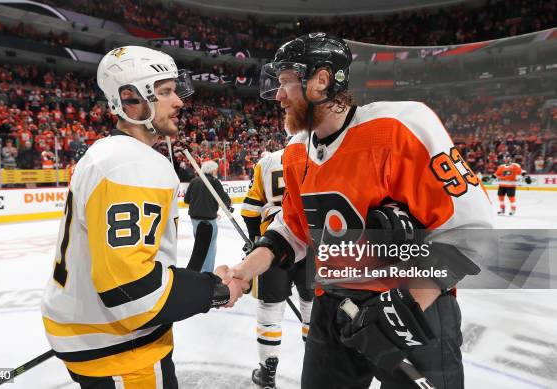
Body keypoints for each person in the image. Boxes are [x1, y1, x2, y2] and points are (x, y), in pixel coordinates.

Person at [222, 33, 494, 389]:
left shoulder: (399, 127)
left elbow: (471, 231)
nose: (278, 95)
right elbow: (293, 230)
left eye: (287, 81)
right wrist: (243, 272)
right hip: (333, 306)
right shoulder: (295, 151)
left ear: (321, 80)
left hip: (412, 309)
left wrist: (404, 307)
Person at [41, 46, 248, 389]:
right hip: (120, 348)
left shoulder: (111, 155)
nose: (179, 101)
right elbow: (131, 292)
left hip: (93, 338)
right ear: (130, 100)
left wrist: (202, 282)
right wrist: (215, 290)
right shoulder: (131, 164)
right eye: (165, 92)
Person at [241, 149, 313, 389]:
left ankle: (267, 371)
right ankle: (315, 368)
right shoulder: (317, 153)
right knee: (312, 309)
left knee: (269, 311)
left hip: (274, 241)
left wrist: (254, 239)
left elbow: (250, 208)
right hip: (312, 241)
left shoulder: (267, 161)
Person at [184, 159, 231, 272]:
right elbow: (224, 199)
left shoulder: (194, 181)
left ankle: (197, 271)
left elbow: (186, 200)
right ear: (212, 170)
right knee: (209, 247)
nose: (217, 172)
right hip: (208, 219)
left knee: (199, 245)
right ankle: (206, 273)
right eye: (215, 170)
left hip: (195, 218)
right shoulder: (214, 182)